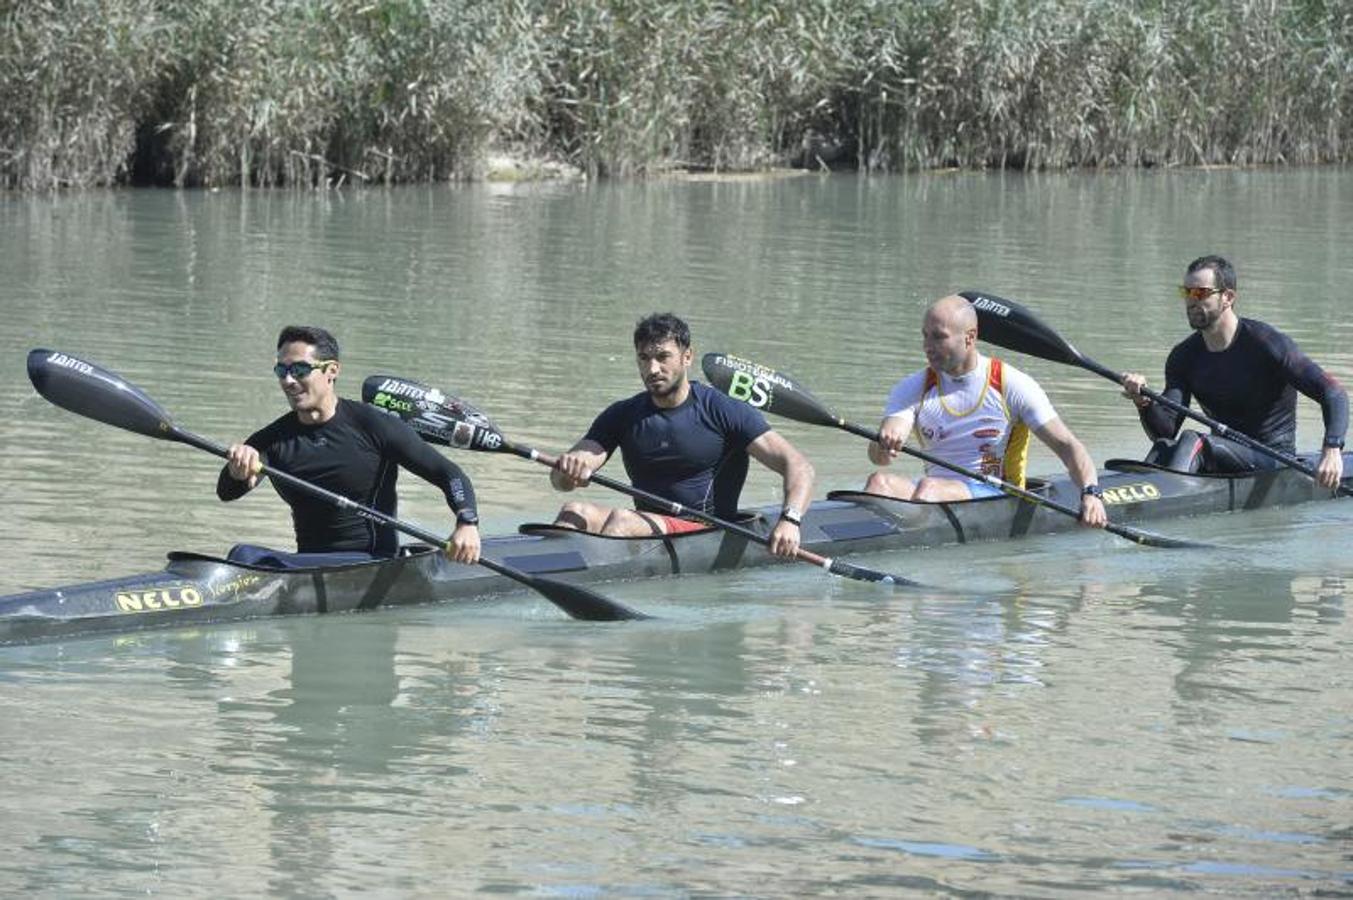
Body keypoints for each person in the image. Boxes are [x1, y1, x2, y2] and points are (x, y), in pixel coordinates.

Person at [550, 313, 815, 557]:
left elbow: (798, 466)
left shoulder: (722, 410)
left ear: (687, 357)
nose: (652, 369)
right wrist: (568, 471)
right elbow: (562, 479)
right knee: (574, 511)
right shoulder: (623, 414)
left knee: (623, 521)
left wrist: (790, 520)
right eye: (644, 358)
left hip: (702, 528)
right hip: (647, 523)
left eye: (663, 357)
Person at [217, 325, 481, 567]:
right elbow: (227, 491)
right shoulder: (274, 439)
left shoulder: (374, 425)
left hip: (372, 562)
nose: (288, 380)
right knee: (243, 555)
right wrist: (237, 471)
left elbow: (449, 474)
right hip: (307, 564)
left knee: (245, 556)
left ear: (332, 371)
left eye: (299, 370)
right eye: (282, 371)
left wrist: (467, 522)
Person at [865, 294, 1109, 527]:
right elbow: (880, 459)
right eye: (925, 336)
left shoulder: (1011, 384)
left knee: (929, 489)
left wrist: (1091, 493)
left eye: (939, 337)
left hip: (997, 493)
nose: (927, 346)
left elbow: (1068, 446)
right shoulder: (912, 387)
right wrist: (884, 444)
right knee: (879, 483)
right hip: (932, 491)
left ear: (970, 337)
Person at [1121, 255, 1347, 489]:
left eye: (1199, 293)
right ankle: (1134, 494)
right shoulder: (1184, 356)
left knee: (1193, 440)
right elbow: (1165, 432)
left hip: (1274, 460)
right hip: (1220, 454)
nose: (1190, 301)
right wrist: (1144, 402)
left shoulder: (1266, 344)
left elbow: (1333, 392)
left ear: (1228, 297)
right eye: (1185, 292)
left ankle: (1164, 495)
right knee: (1164, 448)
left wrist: (1332, 449)